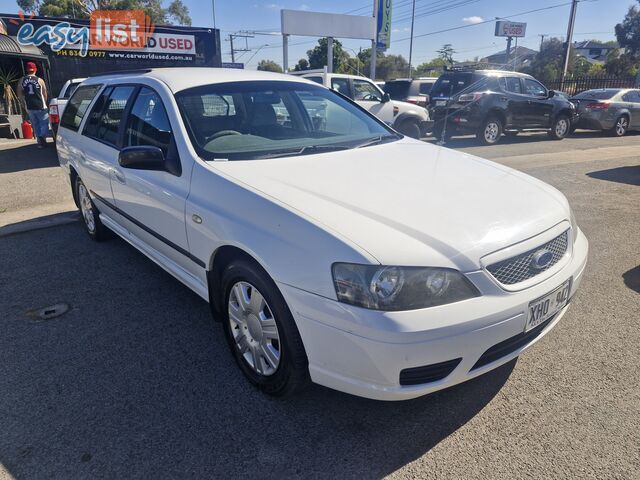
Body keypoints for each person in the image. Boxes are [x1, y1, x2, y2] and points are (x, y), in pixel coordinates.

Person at [17, 62, 49, 148]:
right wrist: (45, 102)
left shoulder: (22, 80)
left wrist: (23, 104)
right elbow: (45, 92)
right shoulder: (39, 80)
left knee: (35, 125)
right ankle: (43, 137)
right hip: (40, 105)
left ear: (27, 70)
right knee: (44, 124)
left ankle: (40, 143)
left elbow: (19, 94)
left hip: (29, 107)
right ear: (35, 70)